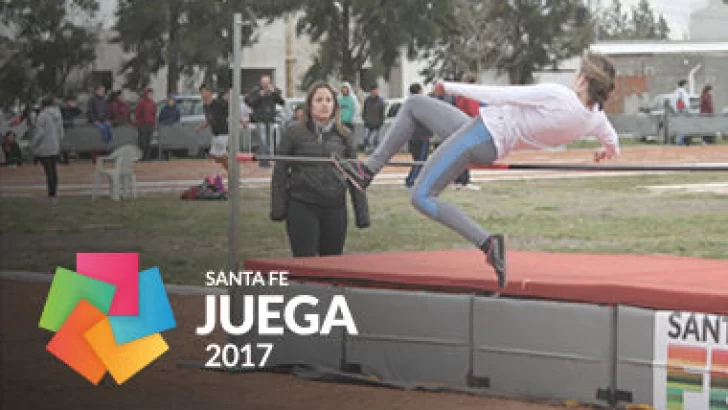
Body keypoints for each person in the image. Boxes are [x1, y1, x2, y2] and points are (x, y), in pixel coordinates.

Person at [335, 52, 620, 289]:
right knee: (415, 105)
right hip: (484, 136)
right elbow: (613, 144)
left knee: (421, 196)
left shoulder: (559, 96)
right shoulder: (594, 119)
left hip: (481, 136)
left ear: (583, 79)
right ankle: (368, 170)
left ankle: (487, 243)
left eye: (577, 72)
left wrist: (450, 87)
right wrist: (605, 152)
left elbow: (500, 94)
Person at [270, 83, 370, 257]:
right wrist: (278, 207)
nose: (324, 104)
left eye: (328, 100)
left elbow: (355, 176)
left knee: (331, 265)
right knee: (305, 263)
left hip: (335, 207)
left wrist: (362, 214)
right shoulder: (293, 133)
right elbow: (280, 172)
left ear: (335, 105)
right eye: (319, 100)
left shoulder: (345, 135)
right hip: (302, 205)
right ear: (310, 104)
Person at [32, 96, 64, 204]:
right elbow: (61, 131)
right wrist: (58, 143)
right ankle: (54, 194)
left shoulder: (43, 116)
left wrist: (34, 145)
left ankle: (51, 195)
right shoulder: (58, 115)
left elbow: (40, 133)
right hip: (54, 145)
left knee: (48, 171)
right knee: (53, 171)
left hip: (44, 146)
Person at [247, 75, 285, 168]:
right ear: (261, 82)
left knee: (269, 141)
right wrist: (259, 96)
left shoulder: (273, 91)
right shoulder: (256, 91)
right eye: (264, 82)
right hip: (260, 119)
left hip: (270, 119)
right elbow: (250, 103)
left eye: (267, 82)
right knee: (262, 141)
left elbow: (281, 102)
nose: (266, 84)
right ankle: (264, 160)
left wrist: (274, 93)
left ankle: (267, 160)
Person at [196, 84, 230, 173]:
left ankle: (232, 169)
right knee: (215, 156)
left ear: (210, 93)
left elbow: (228, 110)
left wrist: (227, 100)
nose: (203, 94)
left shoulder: (218, 103)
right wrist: (200, 127)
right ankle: (231, 168)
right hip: (215, 133)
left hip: (223, 132)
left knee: (221, 155)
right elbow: (208, 120)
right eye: (201, 92)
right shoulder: (205, 106)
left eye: (204, 92)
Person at [404, 83, 432, 189]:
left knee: (418, 160)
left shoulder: (408, 104)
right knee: (420, 161)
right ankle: (410, 181)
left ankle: (415, 180)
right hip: (422, 136)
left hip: (412, 136)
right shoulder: (423, 103)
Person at [361, 84, 385, 153]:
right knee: (366, 137)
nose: (376, 91)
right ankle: (366, 150)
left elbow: (382, 113)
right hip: (368, 123)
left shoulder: (381, 101)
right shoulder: (367, 100)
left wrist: (380, 122)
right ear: (371, 91)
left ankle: (377, 151)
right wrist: (364, 119)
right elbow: (364, 110)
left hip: (377, 124)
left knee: (376, 139)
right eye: (374, 90)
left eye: (377, 90)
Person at [135, 87, 157, 160]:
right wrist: (139, 124)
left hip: (150, 125)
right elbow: (137, 114)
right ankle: (141, 156)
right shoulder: (141, 103)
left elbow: (154, 114)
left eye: (151, 93)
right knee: (142, 142)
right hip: (143, 125)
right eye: (149, 93)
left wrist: (154, 123)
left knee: (149, 142)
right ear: (146, 94)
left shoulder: (153, 103)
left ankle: (147, 157)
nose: (150, 95)